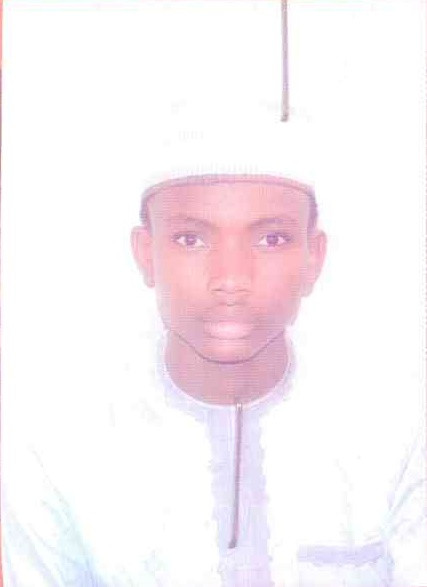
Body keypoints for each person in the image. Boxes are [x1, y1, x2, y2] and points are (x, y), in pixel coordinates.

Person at [2, 162, 426, 586]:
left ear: (312, 258)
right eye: (191, 239)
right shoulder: (55, 443)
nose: (231, 279)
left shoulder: (398, 427)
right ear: (146, 255)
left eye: (271, 239)